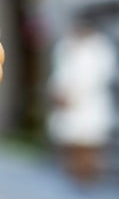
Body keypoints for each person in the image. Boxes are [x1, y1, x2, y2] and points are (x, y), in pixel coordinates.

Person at [47, 14, 117, 182]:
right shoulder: (66, 45)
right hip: (68, 103)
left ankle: (89, 175)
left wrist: (79, 92)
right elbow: (60, 72)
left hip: (90, 103)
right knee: (71, 141)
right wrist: (59, 92)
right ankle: (75, 174)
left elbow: (102, 75)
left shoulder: (100, 48)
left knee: (90, 141)